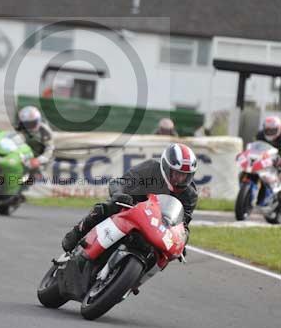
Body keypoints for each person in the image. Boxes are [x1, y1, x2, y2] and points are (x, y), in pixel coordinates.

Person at [62, 142, 198, 253]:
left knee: (168, 252)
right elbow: (120, 182)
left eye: (184, 175)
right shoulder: (150, 169)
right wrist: (119, 194)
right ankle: (77, 232)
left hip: (158, 226)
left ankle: (134, 279)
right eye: (176, 173)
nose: (179, 179)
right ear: (166, 167)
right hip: (131, 207)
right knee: (106, 207)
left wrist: (182, 241)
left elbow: (183, 223)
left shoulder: (190, 194)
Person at [16, 105, 54, 170]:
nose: (31, 126)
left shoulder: (44, 131)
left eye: (33, 123)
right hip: (21, 158)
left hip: (39, 161)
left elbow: (49, 149)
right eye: (27, 124)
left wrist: (39, 160)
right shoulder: (19, 129)